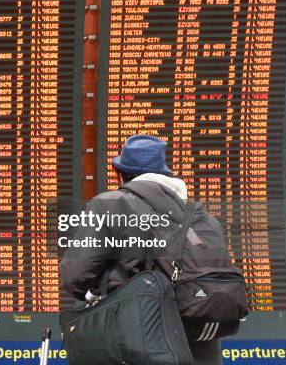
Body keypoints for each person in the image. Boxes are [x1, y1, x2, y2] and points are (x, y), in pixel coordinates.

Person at [59, 135, 221, 365]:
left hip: (139, 345)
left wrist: (95, 295)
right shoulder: (201, 216)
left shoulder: (110, 205)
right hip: (201, 350)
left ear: (122, 174)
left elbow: (75, 275)